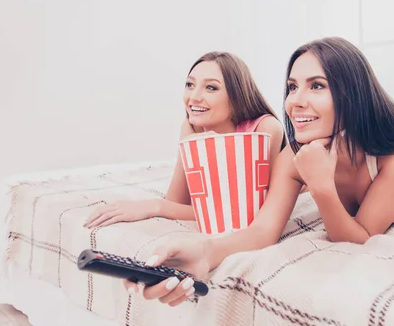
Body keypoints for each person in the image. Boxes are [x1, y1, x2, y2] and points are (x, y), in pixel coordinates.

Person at [122, 37, 394, 305]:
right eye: (292, 87)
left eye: (316, 85)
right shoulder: (294, 157)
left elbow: (359, 237)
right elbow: (262, 232)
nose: (295, 101)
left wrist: (322, 188)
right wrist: (207, 251)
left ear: (353, 95)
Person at [84, 52, 285, 229]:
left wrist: (155, 206)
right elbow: (177, 200)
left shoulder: (265, 129)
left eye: (211, 88)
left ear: (236, 96)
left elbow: (245, 214)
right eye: (190, 84)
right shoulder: (191, 127)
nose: (194, 97)